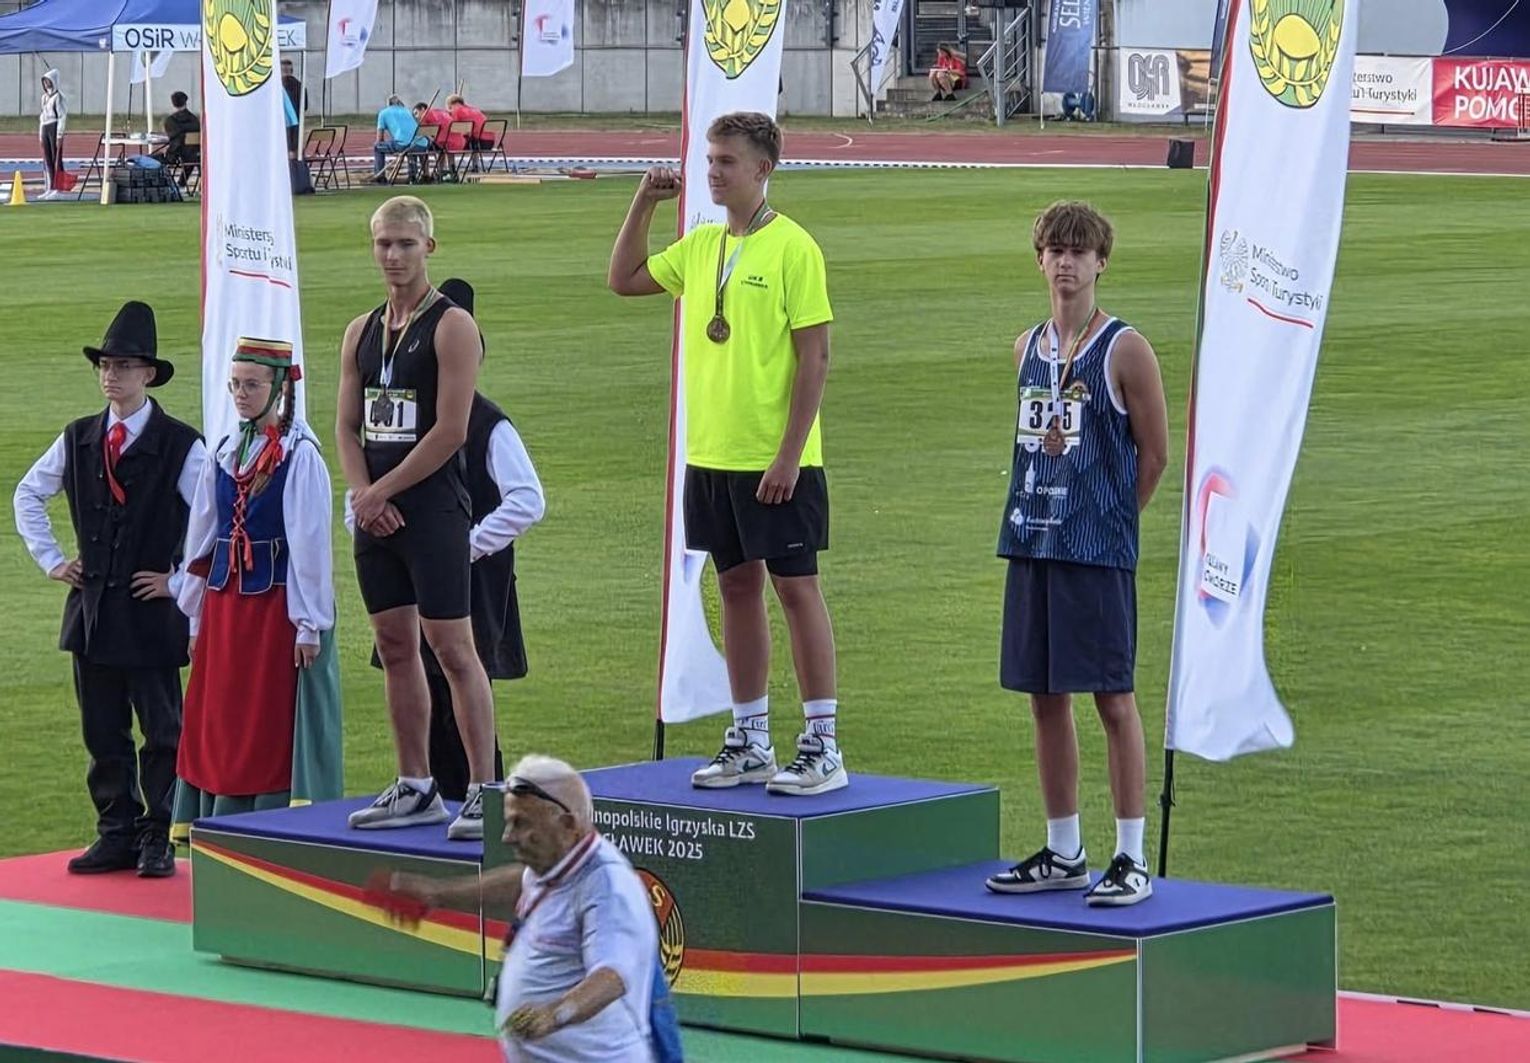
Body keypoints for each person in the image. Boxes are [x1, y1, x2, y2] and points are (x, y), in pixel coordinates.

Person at [608, 111, 845, 796]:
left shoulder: (793, 247)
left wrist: (789, 455)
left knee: (796, 588)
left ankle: (823, 743)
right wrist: (644, 203)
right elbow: (623, 278)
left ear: (762, 169)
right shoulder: (701, 244)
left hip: (775, 458)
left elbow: (815, 357)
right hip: (711, 453)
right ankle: (750, 737)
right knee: (735, 587)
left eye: (726, 161)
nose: (712, 172)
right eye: (709, 160)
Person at [983, 202, 1168, 907]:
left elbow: (1155, 453)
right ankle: (1064, 848)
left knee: (1113, 698)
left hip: (1095, 553)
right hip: (1032, 539)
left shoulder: (1125, 349)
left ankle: (1131, 855)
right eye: (1055, 250)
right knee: (1043, 696)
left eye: (1078, 252)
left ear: (1100, 263)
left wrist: (1110, 521)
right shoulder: (1026, 348)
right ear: (1040, 261)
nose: (1066, 262)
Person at [13, 302, 206, 877]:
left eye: (122, 366)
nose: (110, 375)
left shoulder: (181, 444)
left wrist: (178, 581)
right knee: (102, 730)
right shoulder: (78, 437)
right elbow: (27, 494)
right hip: (94, 610)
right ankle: (116, 831)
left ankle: (158, 835)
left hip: (150, 613)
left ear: (148, 373)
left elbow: (215, 521)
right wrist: (52, 561)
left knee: (163, 731)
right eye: (105, 365)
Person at [336, 196, 498, 840]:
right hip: (376, 515)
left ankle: (485, 789)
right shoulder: (361, 330)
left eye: (405, 243)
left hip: (432, 511)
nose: (393, 255)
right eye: (383, 243)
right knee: (395, 647)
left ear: (429, 247)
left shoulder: (452, 325)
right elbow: (347, 427)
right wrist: (363, 495)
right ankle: (415, 783)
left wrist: (381, 492)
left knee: (453, 649)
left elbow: (451, 430)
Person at [347, 278, 545, 800]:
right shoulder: (390, 390)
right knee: (406, 661)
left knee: (459, 662)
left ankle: (483, 790)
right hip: (399, 552)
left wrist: (468, 544)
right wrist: (368, 508)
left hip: (464, 566)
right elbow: (359, 447)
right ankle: (419, 785)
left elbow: (528, 500)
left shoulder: (488, 423)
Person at [384, 756, 663, 1062]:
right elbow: (522, 882)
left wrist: (555, 1014)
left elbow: (612, 976)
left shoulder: (608, 886)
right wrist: (437, 894)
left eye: (521, 823)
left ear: (567, 825)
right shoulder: (558, 861)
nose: (507, 837)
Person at [171, 339, 341, 838]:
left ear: (279, 389)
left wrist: (308, 624)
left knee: (265, 718)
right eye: (235, 385)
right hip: (226, 605)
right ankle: (221, 820)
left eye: (251, 385)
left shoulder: (300, 456)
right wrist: (195, 615)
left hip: (273, 606)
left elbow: (310, 544)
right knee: (224, 715)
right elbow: (203, 536)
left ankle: (271, 821)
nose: (241, 395)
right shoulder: (225, 451)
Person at [372, 95, 425, 183]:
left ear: (389, 104)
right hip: (420, 144)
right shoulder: (407, 111)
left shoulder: (383, 113)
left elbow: (379, 138)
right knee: (411, 147)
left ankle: (380, 176)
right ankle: (413, 176)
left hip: (403, 144)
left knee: (377, 147)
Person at [155, 91, 200, 185]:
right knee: (190, 157)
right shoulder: (194, 120)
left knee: (158, 158)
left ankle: (169, 184)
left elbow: (174, 141)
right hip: (196, 154)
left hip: (179, 154)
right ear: (185, 102)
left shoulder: (171, 121)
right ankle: (181, 183)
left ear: (173, 104)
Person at [38, 68, 66, 200]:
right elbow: (42, 116)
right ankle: (50, 187)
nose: (46, 84)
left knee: (56, 159)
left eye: (48, 81)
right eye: (44, 82)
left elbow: (62, 116)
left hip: (54, 127)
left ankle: (58, 188)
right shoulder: (44, 98)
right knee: (48, 159)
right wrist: (40, 134)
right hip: (45, 126)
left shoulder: (58, 97)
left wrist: (59, 135)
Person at [281, 58, 307, 156]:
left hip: (284, 124)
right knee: (297, 151)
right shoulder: (300, 85)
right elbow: (305, 106)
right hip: (298, 123)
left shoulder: (279, 87)